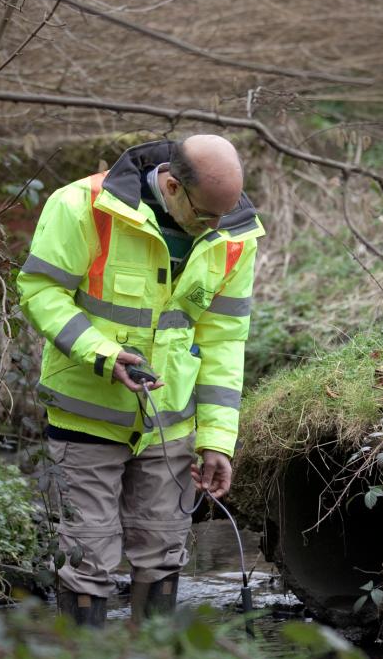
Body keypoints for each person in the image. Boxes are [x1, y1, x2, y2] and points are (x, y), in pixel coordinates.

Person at [17, 134, 264, 626]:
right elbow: (40, 291)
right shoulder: (83, 206)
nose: (216, 228)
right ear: (172, 185)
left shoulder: (234, 234)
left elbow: (223, 342)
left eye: (225, 213)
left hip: (171, 428)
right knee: (87, 560)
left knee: (164, 553)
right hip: (85, 419)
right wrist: (102, 354)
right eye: (206, 215)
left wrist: (217, 439)